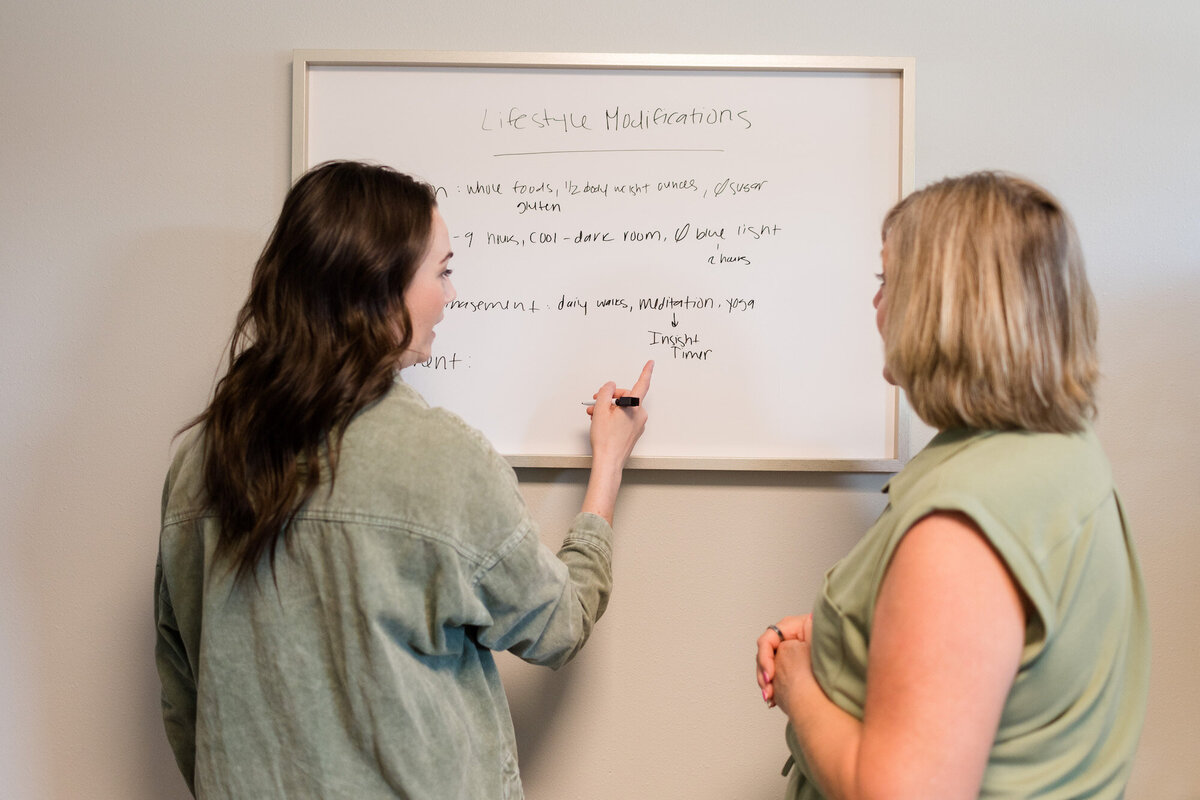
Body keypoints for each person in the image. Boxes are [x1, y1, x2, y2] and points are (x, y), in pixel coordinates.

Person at [155, 160, 654, 799]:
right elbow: (556, 626)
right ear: (380, 290)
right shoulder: (441, 458)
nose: (451, 294)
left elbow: (184, 694)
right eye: (442, 272)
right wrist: (608, 463)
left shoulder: (198, 460)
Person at [755, 172, 1149, 799]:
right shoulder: (1055, 452)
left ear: (940, 304)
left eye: (887, 281)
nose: (876, 304)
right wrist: (845, 633)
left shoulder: (962, 527)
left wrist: (800, 686)